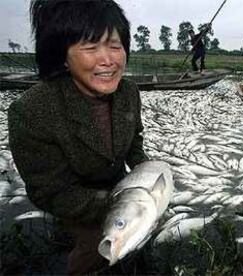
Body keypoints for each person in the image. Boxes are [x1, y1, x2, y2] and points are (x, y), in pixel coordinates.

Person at [8, 0, 148, 274]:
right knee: (95, 248)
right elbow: (50, 191)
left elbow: (134, 141)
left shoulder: (129, 92)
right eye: (91, 47)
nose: (107, 59)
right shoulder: (31, 111)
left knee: (138, 240)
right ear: (64, 55)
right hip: (75, 200)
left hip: (118, 189)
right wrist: (121, 205)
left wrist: (147, 175)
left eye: (115, 45)